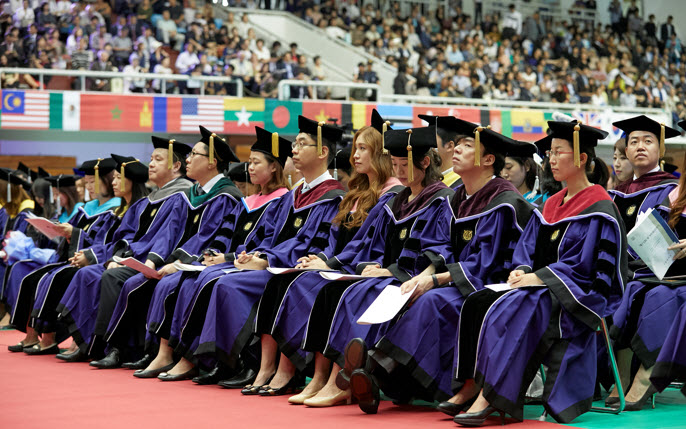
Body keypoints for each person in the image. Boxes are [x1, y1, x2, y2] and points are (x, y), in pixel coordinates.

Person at [338, 124, 536, 414]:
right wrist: (424, 276)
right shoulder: (456, 200)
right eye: (457, 144)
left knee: (432, 301)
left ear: (489, 160)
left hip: (485, 285)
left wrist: (436, 279)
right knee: (405, 292)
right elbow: (438, 245)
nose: (456, 149)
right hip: (454, 280)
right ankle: (378, 371)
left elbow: (487, 262)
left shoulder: (503, 203)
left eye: (467, 146)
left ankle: (375, 367)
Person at [447, 120, 627, 425]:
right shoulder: (551, 204)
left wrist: (540, 278)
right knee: (487, 302)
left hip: (578, 295)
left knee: (520, 306)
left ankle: (490, 397)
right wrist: (521, 269)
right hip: (543, 286)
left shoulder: (600, 207)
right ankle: (476, 387)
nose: (551, 160)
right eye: (551, 153)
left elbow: (588, 269)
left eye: (559, 152)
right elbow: (527, 246)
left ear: (582, 159)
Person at [158, 116, 346, 382]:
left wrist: (266, 259)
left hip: (294, 269)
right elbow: (268, 235)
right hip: (273, 263)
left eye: (302, 143)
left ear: (323, 152)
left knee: (228, 284)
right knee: (205, 277)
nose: (294, 149)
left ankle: (244, 361)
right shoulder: (292, 196)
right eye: (295, 143)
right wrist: (252, 255)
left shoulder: (333, 197)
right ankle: (209, 359)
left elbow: (313, 245)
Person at [244, 110, 403, 403]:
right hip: (342, 265)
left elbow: (368, 245)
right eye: (355, 148)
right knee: (283, 281)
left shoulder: (390, 196)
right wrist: (319, 257)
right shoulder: (354, 194)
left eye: (363, 149)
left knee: (307, 286)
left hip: (362, 269)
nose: (354, 155)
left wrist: (328, 263)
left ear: (381, 155)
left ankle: (326, 380)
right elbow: (333, 239)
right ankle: (279, 369)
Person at [133, 126, 292, 380]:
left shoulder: (282, 200)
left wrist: (227, 258)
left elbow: (271, 241)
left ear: (274, 167)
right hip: (233, 261)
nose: (249, 167)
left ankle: (207, 358)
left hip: (253, 265)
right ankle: (175, 354)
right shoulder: (247, 201)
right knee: (185, 281)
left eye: (255, 162)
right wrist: (215, 254)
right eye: (248, 162)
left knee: (202, 281)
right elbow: (226, 235)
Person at [94, 133, 242, 369]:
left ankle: (152, 352)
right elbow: (168, 233)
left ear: (212, 162)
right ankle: (140, 350)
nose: (188, 159)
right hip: (171, 262)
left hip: (197, 264)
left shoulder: (226, 196)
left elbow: (209, 238)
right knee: (137, 281)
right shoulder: (188, 195)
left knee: (146, 285)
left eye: (194, 154)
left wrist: (179, 262)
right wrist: (153, 261)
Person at [56, 141, 193, 361]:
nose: (151, 164)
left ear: (176, 166)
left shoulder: (182, 195)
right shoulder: (148, 201)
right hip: (135, 259)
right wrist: (116, 257)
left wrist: (143, 261)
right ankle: (86, 342)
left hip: (157, 262)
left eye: (158, 160)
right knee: (87, 273)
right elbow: (126, 236)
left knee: (112, 275)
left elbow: (167, 237)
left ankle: (113, 347)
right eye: (151, 159)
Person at [607, 118, 686, 410]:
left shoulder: (669, 189)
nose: (640, 147)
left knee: (640, 291)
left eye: (648, 141)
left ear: (661, 148)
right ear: (626, 149)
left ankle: (639, 378)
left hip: (658, 271)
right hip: (625, 270)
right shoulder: (615, 193)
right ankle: (618, 375)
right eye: (634, 141)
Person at [6, 159, 120, 354]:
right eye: (87, 182)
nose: (88, 186)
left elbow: (105, 241)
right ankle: (30, 334)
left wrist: (73, 233)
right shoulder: (88, 207)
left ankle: (49, 338)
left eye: (93, 182)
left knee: (53, 279)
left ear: (108, 182)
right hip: (73, 258)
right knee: (32, 278)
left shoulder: (115, 208)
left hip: (92, 260)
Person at [418, 115, 462, 189]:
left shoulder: (460, 185)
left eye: (432, 141)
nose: (426, 146)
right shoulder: (424, 181)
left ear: (449, 146)